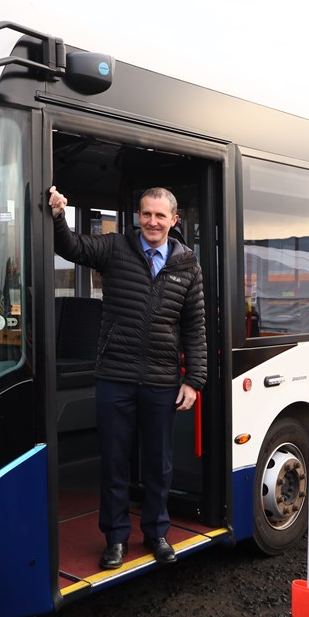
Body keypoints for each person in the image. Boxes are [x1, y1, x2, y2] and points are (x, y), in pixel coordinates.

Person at [48, 184, 207, 569]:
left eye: (160, 215)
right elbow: (72, 248)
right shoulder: (116, 248)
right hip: (115, 377)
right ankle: (116, 538)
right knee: (115, 463)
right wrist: (57, 217)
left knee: (158, 463)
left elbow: (194, 326)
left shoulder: (187, 264)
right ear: (139, 216)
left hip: (161, 380)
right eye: (146, 214)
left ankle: (156, 533)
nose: (152, 222)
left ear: (174, 220)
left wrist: (194, 380)